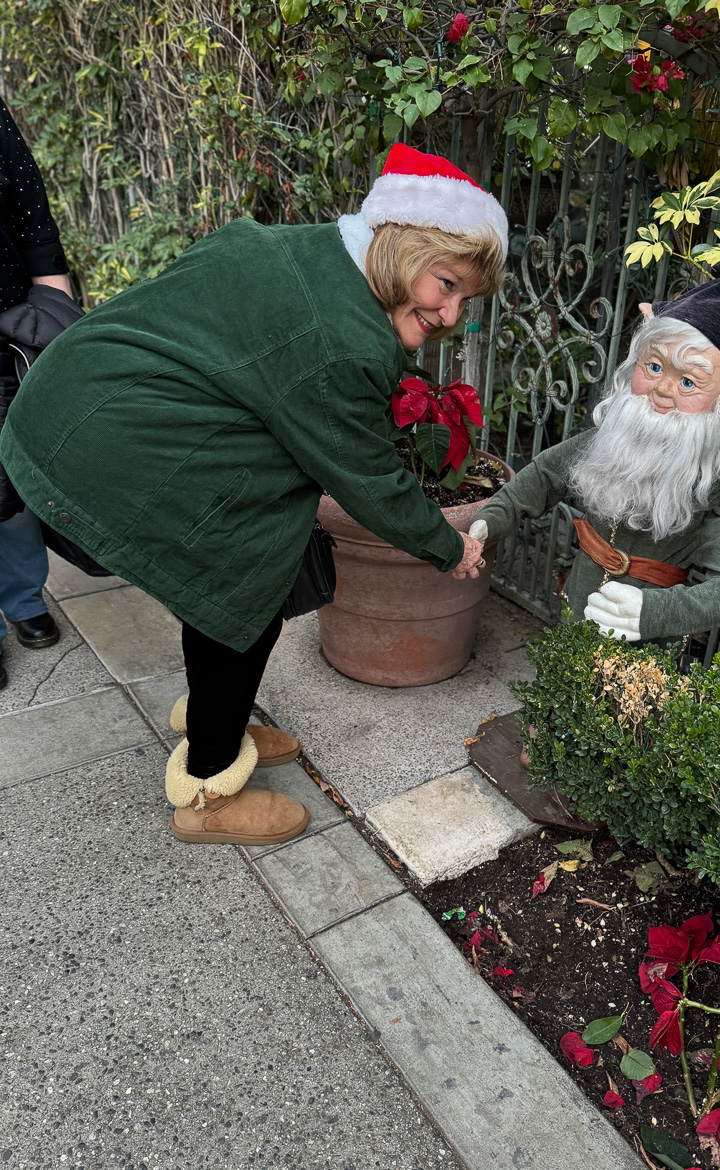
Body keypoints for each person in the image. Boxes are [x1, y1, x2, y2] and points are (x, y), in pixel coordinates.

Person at [0, 144, 507, 841]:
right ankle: (207, 790)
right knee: (240, 585)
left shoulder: (303, 251)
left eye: (464, 299)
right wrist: (444, 546)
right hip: (111, 436)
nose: (451, 314)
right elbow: (364, 473)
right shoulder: (346, 336)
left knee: (246, 577)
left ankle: (218, 719)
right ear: (401, 244)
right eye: (445, 284)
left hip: (72, 397)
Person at [469, 269, 720, 644]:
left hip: (640, 658)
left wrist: (653, 613)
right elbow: (543, 476)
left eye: (688, 382)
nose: (663, 390)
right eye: (653, 367)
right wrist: (495, 517)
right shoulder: (605, 444)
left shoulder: (706, 500)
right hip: (572, 620)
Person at [0, 96, 74, 688]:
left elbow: (30, 212)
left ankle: (23, 597)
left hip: (6, 322)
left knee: (14, 471)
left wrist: (58, 318)